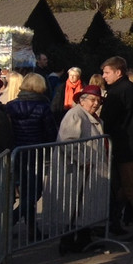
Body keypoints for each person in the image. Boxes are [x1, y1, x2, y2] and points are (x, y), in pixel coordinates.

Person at [100, 56, 133, 242]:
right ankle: (115, 220)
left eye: (107, 72)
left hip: (126, 147)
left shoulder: (117, 92)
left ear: (118, 72)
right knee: (124, 188)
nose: (104, 76)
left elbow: (108, 120)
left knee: (131, 189)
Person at [54, 84, 105, 253]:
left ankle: (83, 238)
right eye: (92, 100)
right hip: (77, 169)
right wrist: (83, 160)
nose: (96, 103)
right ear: (82, 101)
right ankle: (67, 242)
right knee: (74, 204)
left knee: (83, 204)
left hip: (87, 168)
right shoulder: (75, 115)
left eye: (98, 100)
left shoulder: (90, 116)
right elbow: (67, 141)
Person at [7, 73, 57, 239]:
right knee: (35, 192)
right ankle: (11, 222)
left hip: (17, 153)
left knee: (26, 191)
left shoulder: (10, 106)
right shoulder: (43, 107)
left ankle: (31, 230)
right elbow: (50, 132)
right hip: (36, 152)